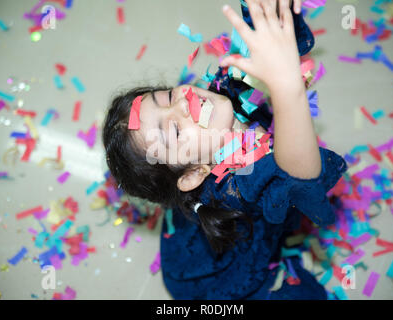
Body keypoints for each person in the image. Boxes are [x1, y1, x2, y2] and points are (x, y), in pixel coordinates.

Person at [102, 0, 348, 300]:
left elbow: (262, 44)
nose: (183, 105)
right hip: (228, 270)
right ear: (195, 172)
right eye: (175, 130)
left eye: (167, 97)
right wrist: (286, 88)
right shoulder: (240, 187)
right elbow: (300, 176)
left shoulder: (223, 93)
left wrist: (270, 14)